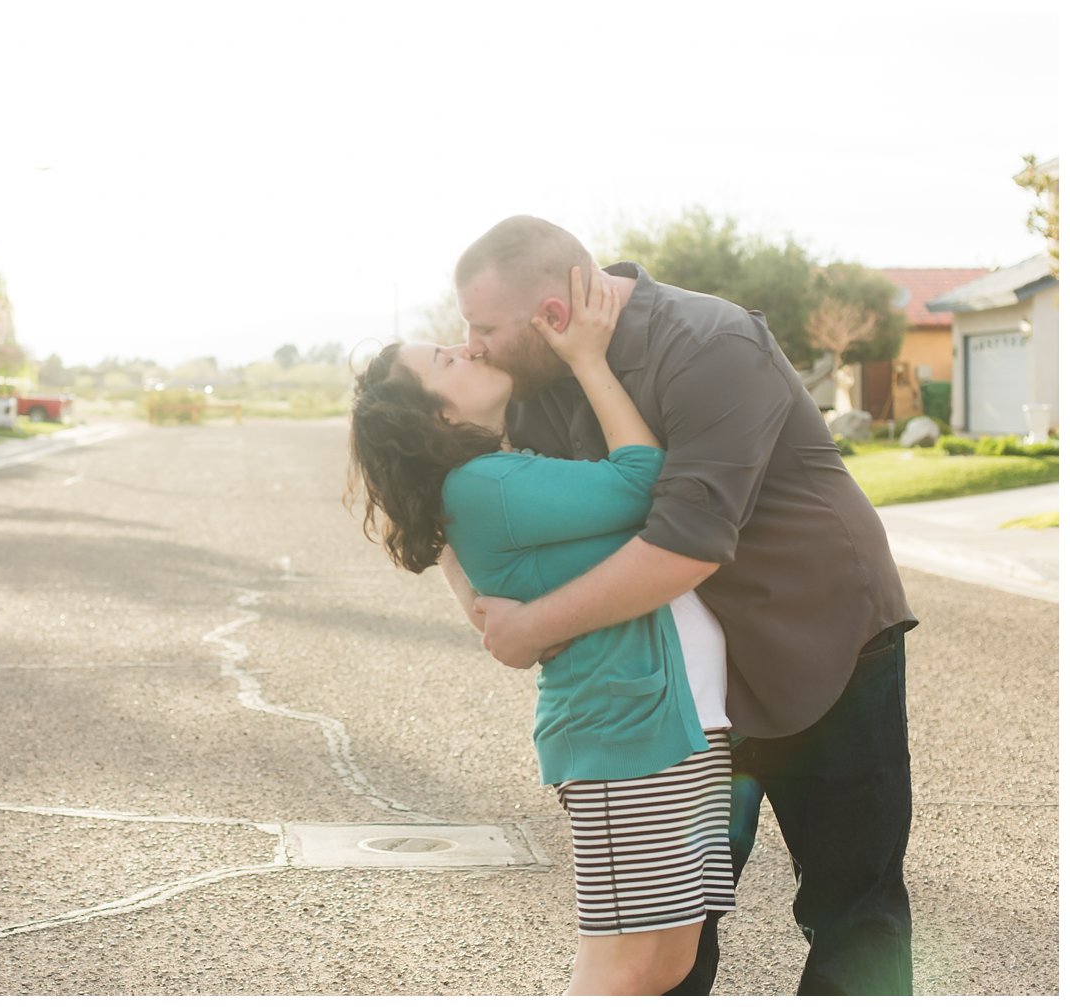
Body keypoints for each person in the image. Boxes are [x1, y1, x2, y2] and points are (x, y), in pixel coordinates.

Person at [448, 215, 917, 996]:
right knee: (674, 932)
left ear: (552, 317)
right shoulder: (536, 384)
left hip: (822, 642)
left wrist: (528, 627)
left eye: (482, 327)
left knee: (852, 912)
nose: (470, 345)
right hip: (686, 683)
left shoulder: (710, 343)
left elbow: (687, 543)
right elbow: (470, 495)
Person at [349, 269, 737, 995]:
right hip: (625, 734)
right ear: (434, 415)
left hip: (667, 720)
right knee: (624, 967)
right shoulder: (485, 484)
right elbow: (642, 480)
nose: (467, 350)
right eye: (445, 359)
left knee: (667, 961)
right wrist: (587, 357)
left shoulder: (499, 474)